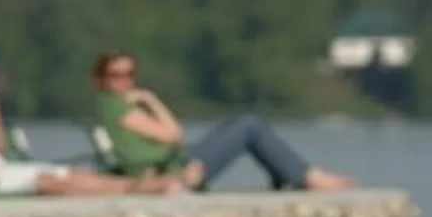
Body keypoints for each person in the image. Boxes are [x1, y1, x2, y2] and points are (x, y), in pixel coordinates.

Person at [0, 26, 185, 197]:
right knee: (52, 182)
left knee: (69, 173)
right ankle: (145, 187)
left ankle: (143, 186)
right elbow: (173, 136)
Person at [88, 52, 354, 192]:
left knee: (238, 124)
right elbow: (173, 135)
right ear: (101, 79)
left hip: (174, 166)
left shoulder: (109, 107)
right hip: (180, 173)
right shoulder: (118, 108)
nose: (124, 81)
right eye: (116, 75)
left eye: (129, 74)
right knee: (250, 126)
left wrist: (146, 101)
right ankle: (306, 177)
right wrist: (152, 101)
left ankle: (292, 174)